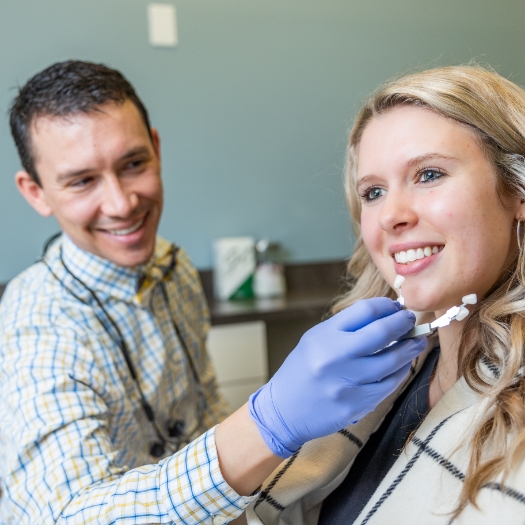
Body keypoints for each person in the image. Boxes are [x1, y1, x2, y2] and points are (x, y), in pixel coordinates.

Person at [0, 60, 425, 524]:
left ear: (156, 150)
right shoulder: (34, 325)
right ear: (36, 192)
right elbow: (69, 517)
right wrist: (269, 423)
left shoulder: (174, 268)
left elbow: (203, 414)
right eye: (82, 181)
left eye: (133, 164)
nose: (122, 204)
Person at [243, 64, 525, 525]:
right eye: (373, 192)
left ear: (517, 191)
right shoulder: (387, 373)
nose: (390, 215)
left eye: (429, 174)